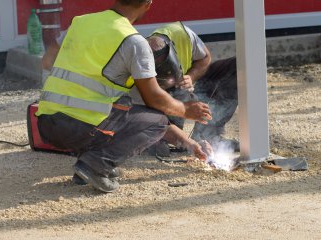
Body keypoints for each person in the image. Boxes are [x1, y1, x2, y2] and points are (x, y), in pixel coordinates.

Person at [36, 0, 213, 193]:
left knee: (117, 106)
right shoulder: (133, 41)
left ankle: (88, 161)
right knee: (157, 120)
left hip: (46, 124)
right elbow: (155, 100)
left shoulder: (80, 23)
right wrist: (187, 110)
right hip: (80, 128)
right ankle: (95, 164)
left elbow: (47, 62)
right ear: (148, 4)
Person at [145, 22, 239, 155]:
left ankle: (209, 136)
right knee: (161, 149)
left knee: (238, 66)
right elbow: (144, 117)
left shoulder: (181, 35)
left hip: (195, 83)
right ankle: (168, 139)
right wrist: (187, 142)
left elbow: (205, 58)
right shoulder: (138, 68)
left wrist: (191, 76)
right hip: (166, 97)